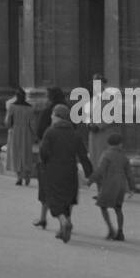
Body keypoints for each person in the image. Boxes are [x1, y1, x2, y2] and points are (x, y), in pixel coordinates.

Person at [39, 103, 93, 243]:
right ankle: (64, 226)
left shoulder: (50, 132)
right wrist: (89, 174)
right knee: (68, 199)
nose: (51, 117)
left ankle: (63, 222)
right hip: (70, 171)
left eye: (53, 114)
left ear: (57, 116)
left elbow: (43, 152)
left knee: (54, 200)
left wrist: (44, 163)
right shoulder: (75, 134)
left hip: (54, 171)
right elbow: (83, 155)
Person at [92, 131, 137, 241]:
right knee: (118, 209)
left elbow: (100, 170)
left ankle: (111, 229)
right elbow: (129, 174)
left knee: (103, 207)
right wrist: (132, 188)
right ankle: (120, 232)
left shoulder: (106, 155)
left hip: (108, 185)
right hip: (121, 185)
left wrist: (90, 180)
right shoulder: (124, 157)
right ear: (120, 144)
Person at [32, 86, 66, 228]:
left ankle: (46, 218)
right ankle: (66, 219)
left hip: (49, 155)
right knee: (65, 191)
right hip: (66, 156)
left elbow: (39, 131)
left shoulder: (48, 112)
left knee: (46, 189)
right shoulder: (68, 110)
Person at [5, 86, 35, 185]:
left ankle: (19, 176)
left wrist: (9, 126)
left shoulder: (12, 107)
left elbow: (8, 121)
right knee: (26, 154)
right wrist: (34, 134)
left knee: (16, 153)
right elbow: (32, 123)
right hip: (26, 132)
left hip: (15, 132)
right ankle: (27, 174)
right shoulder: (30, 108)